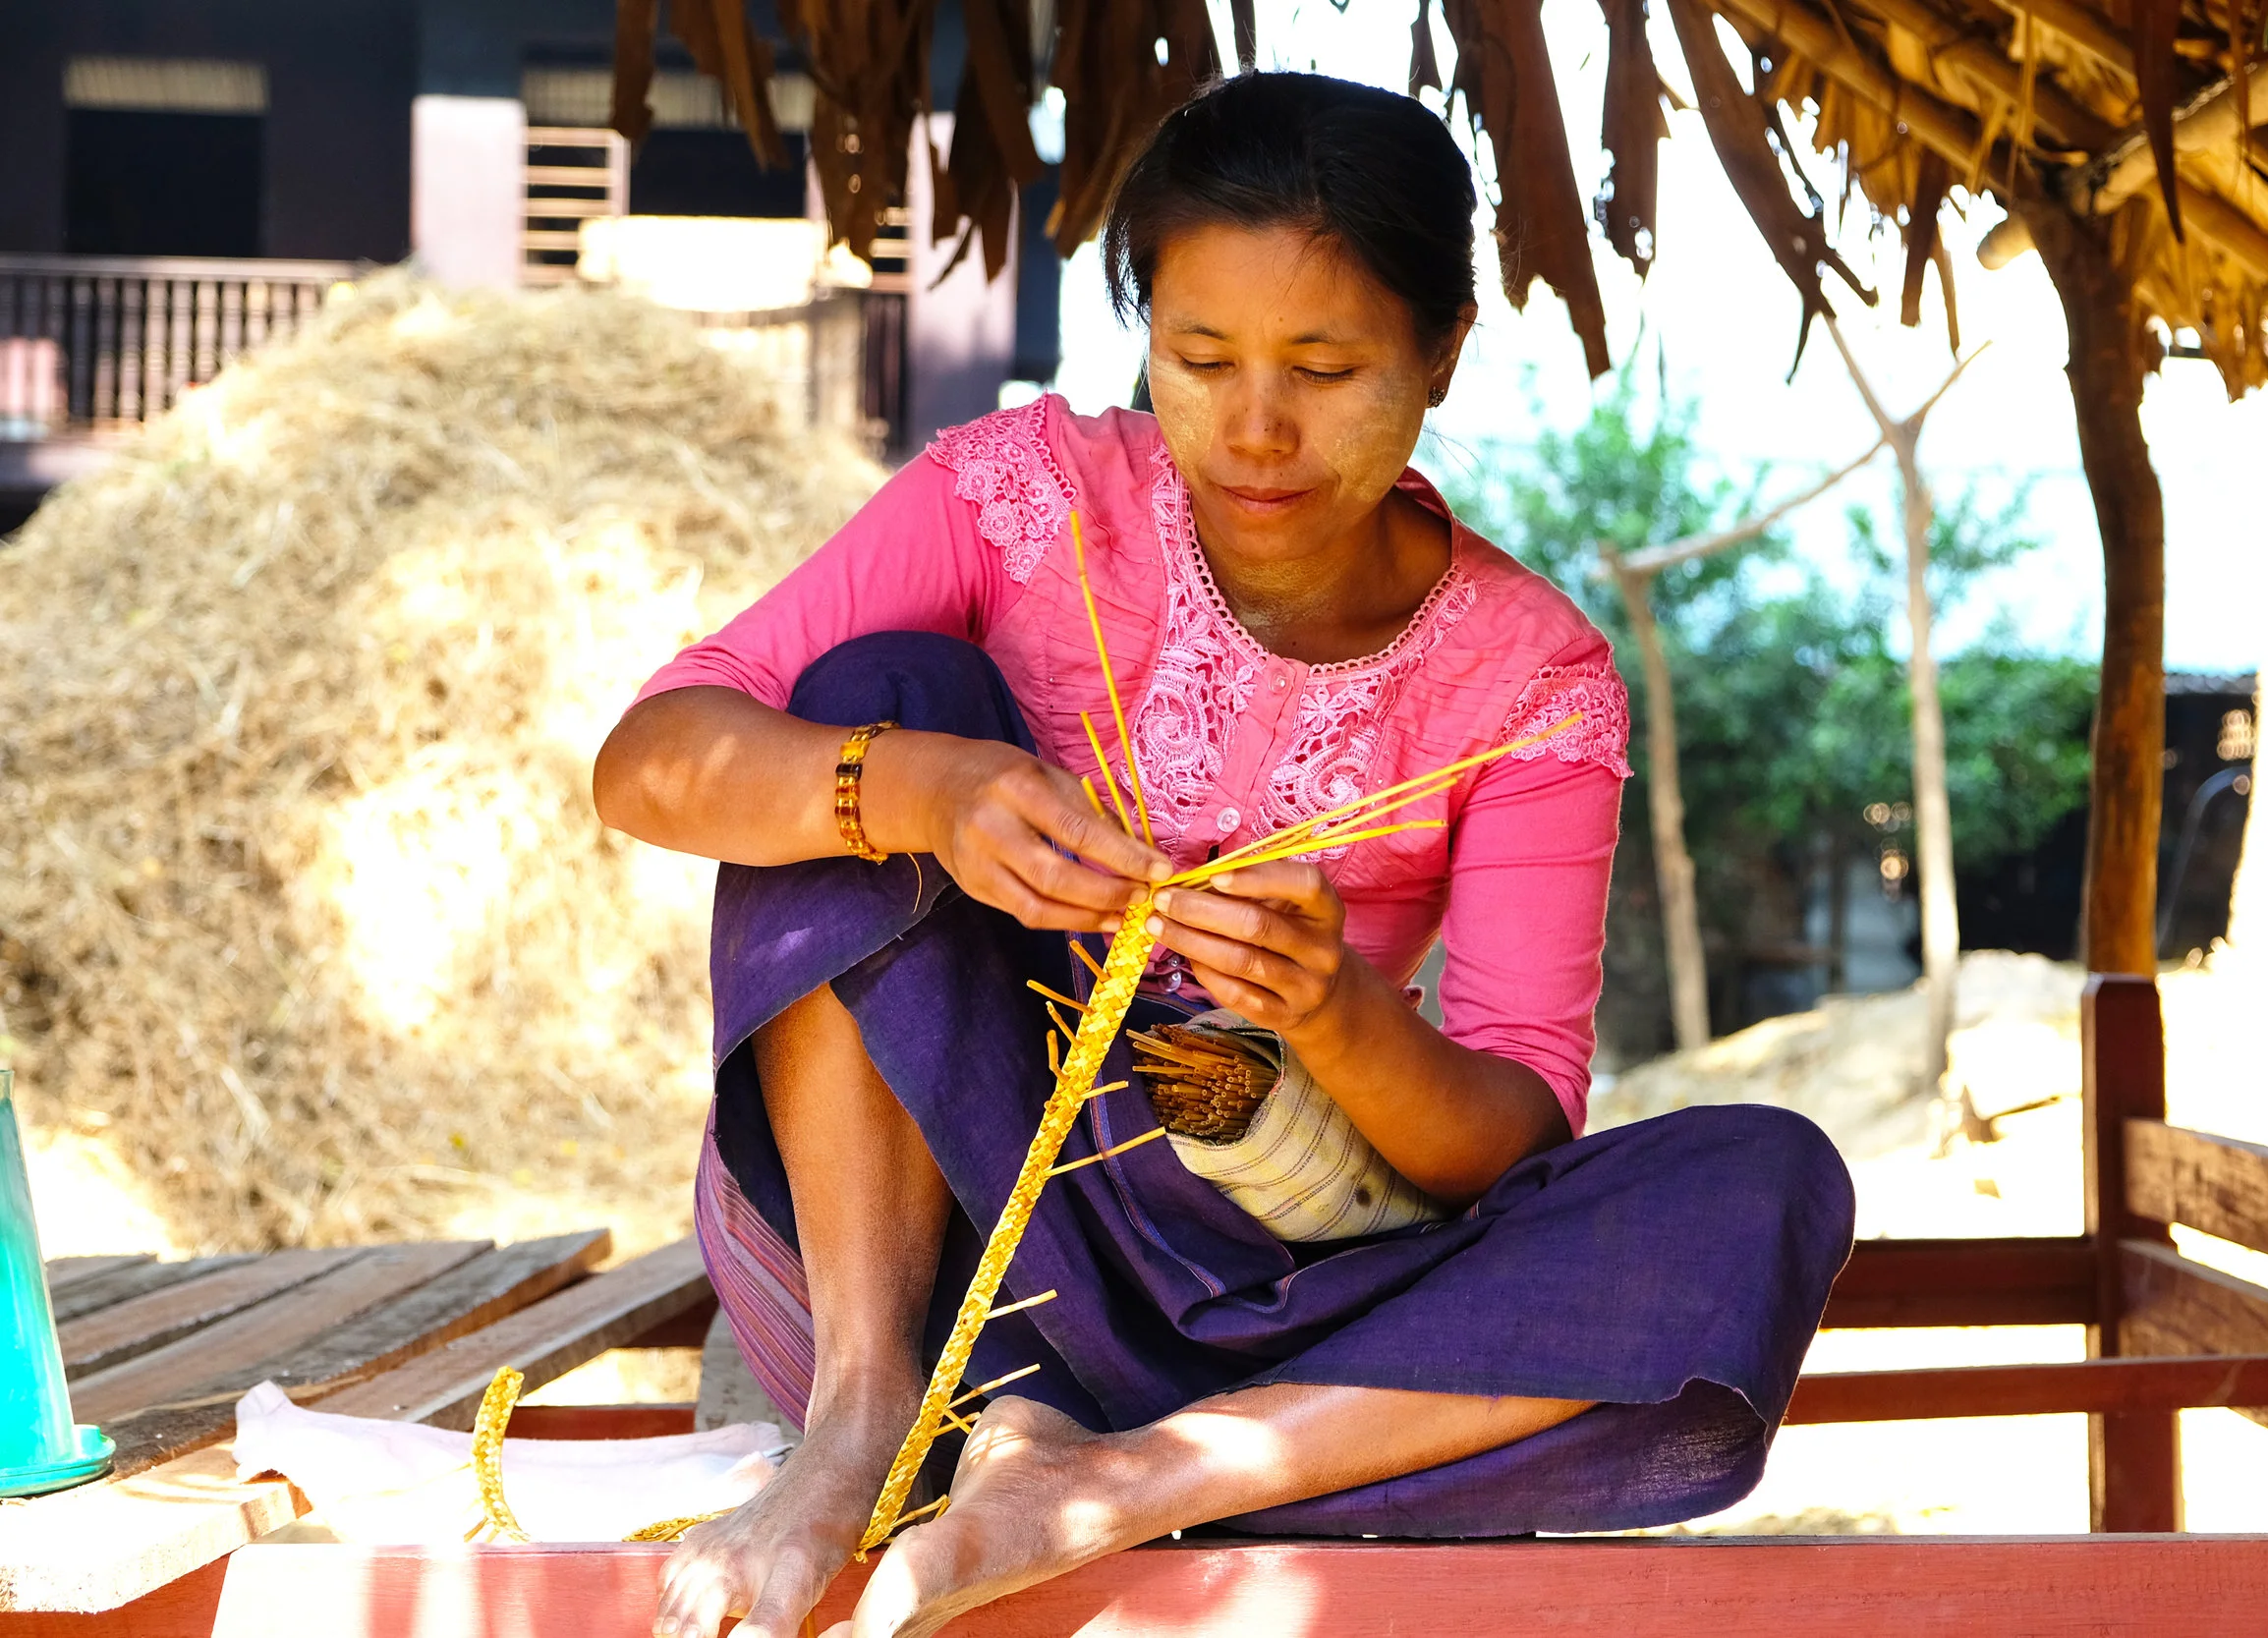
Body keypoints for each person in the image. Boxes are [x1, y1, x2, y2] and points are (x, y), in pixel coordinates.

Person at [595, 71, 1851, 1638]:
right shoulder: (1018, 503)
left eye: (1327, 369)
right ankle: (863, 1418)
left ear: (1442, 351)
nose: (1256, 429)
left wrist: (1337, 1010)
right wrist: (917, 790)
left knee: (1765, 1181)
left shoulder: (1531, 682)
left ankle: (1105, 1481)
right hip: (964, 1247)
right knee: (870, 709)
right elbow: (650, 763)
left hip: (1286, 1306)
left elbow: (1509, 1126)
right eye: (1199, 359)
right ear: (1145, 337)